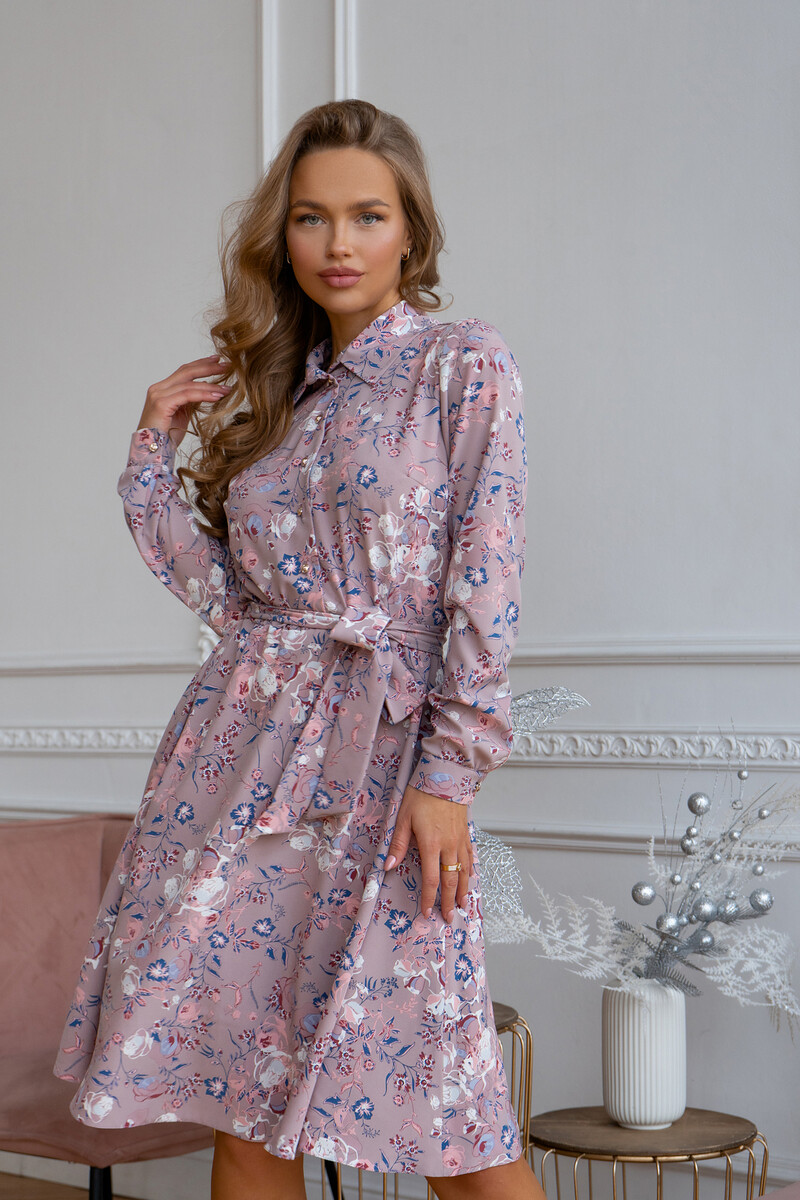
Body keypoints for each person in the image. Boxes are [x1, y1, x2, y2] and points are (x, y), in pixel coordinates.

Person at [54, 99, 544, 1200]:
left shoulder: (460, 363)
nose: (338, 243)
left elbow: (487, 578)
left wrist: (449, 777)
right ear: (284, 237)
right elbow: (227, 599)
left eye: (367, 215)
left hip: (384, 761)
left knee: (449, 1116)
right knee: (245, 1097)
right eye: (312, 218)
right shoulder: (282, 397)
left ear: (410, 231)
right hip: (237, 760)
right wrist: (152, 448)